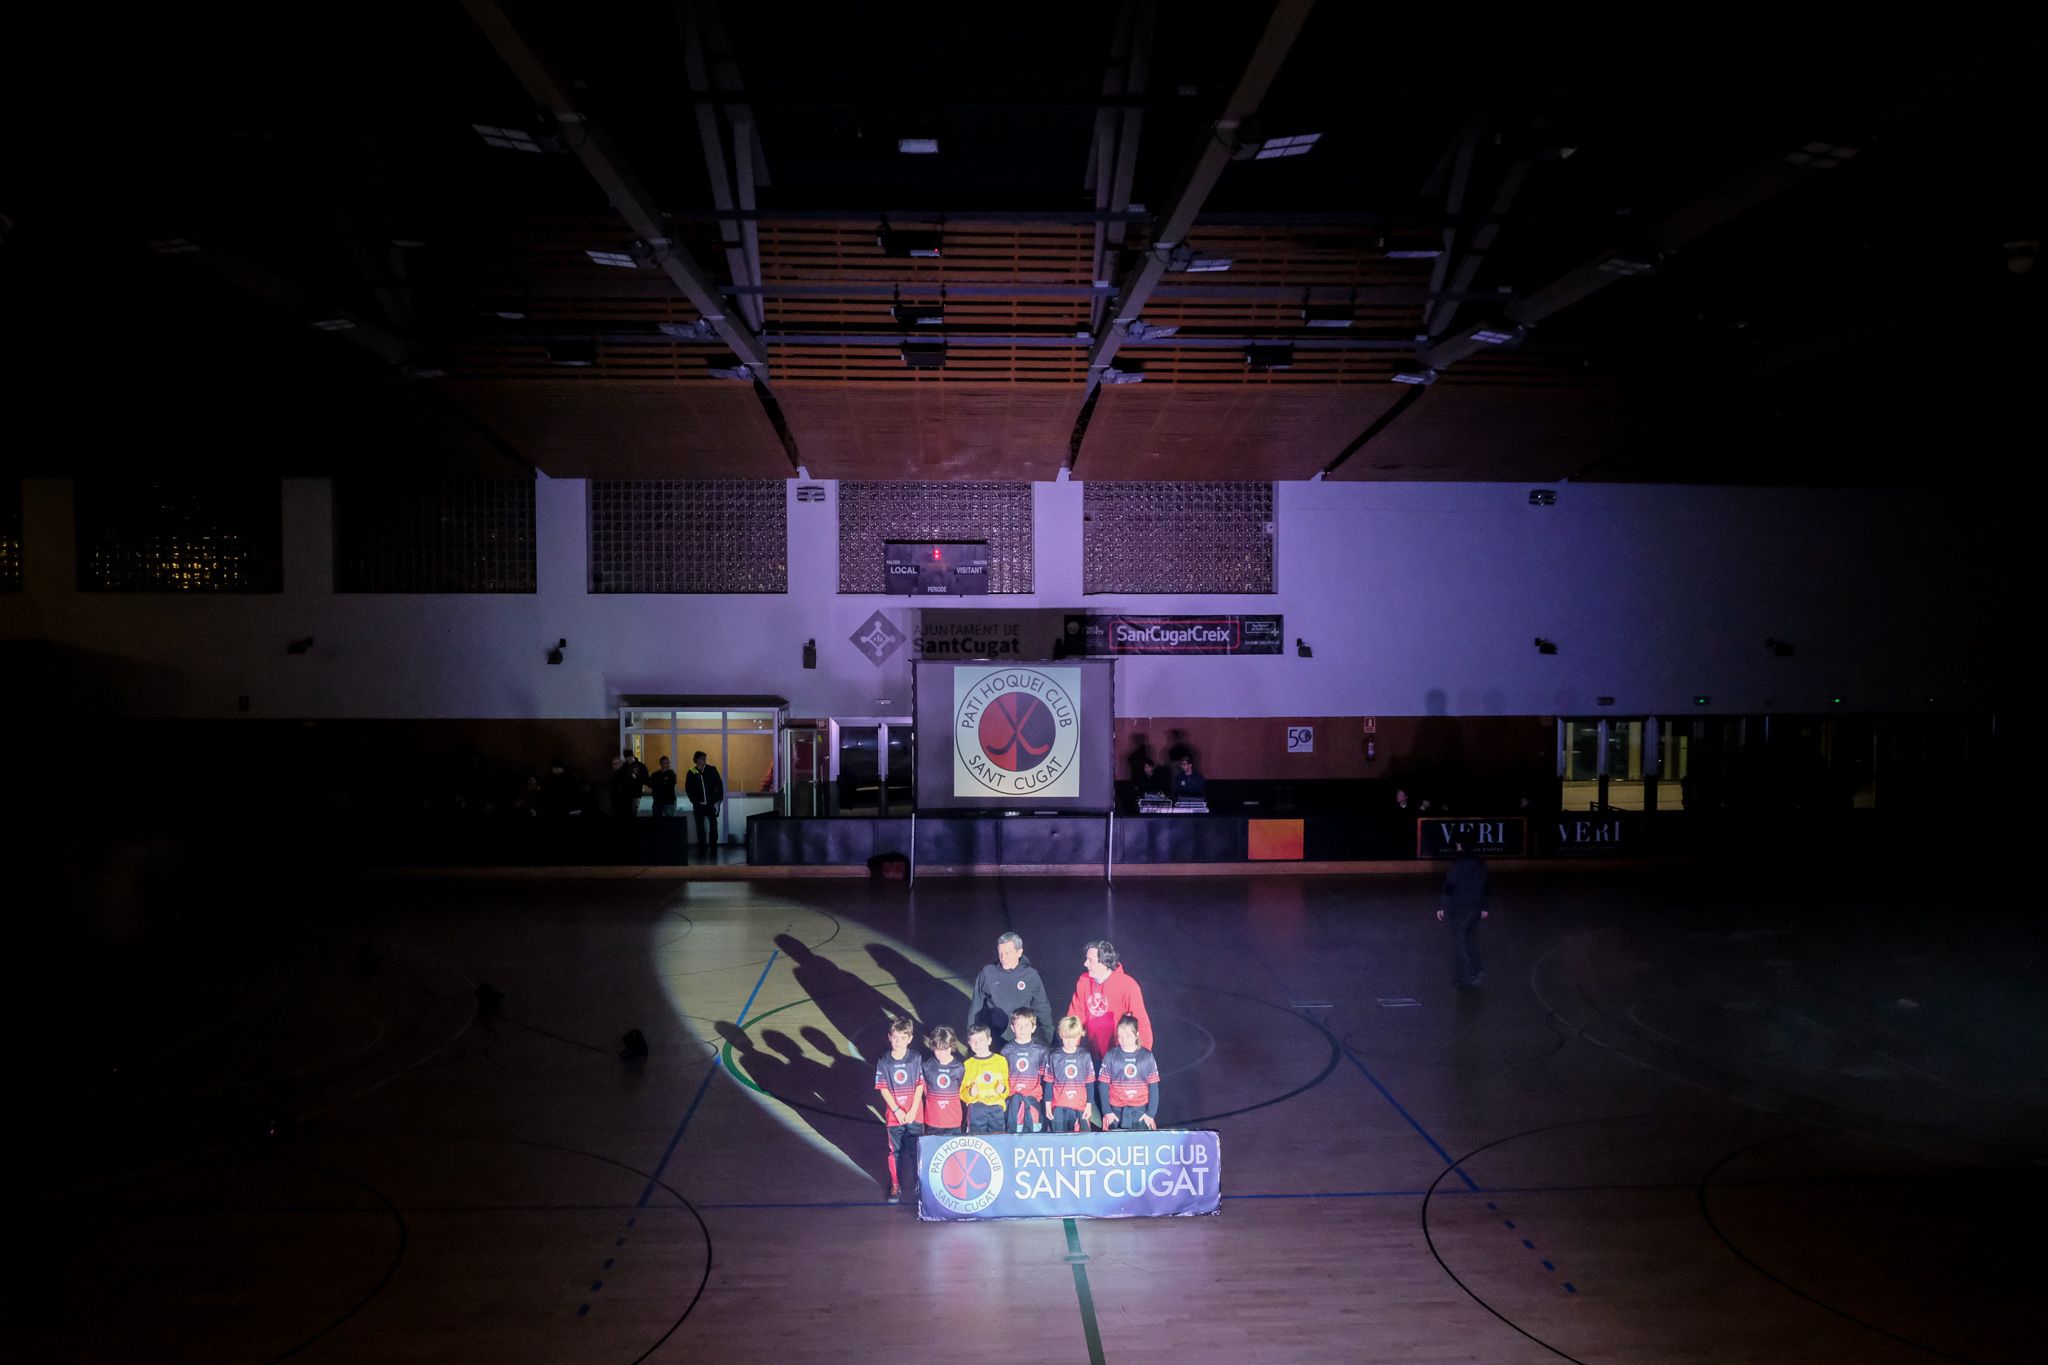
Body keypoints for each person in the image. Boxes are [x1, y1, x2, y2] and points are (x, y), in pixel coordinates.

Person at [1068, 940, 1153, 1059]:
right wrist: (1069, 1050)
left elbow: (1141, 1023)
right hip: (1094, 1054)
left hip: (1121, 1056)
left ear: (1103, 963)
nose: (1085, 964)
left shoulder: (1128, 985)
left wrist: (1143, 1056)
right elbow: (1074, 1018)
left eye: (1090, 960)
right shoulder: (1083, 981)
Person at [873, 1016, 925, 1203]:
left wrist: (912, 1110)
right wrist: (896, 1110)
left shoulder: (915, 1059)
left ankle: (921, 1182)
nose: (899, 1042)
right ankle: (895, 1184)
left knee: (916, 1149)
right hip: (894, 1116)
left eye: (903, 1038)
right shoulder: (884, 1062)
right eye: (895, 1037)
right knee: (894, 1151)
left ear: (910, 1038)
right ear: (889, 1037)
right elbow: (883, 1088)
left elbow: (920, 1084)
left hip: (914, 1114)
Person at [968, 932, 1053, 1043]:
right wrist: (971, 1039)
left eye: (1007, 953)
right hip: (994, 1037)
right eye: (1000, 953)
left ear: (1019, 952)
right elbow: (975, 1009)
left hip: (1022, 1038)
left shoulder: (1031, 975)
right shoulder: (987, 973)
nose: (1003, 958)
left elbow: (1042, 1008)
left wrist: (1051, 1039)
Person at [1437, 839, 1490, 988]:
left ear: (1460, 846)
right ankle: (1477, 968)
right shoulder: (1480, 862)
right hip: (1476, 907)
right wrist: (1485, 907)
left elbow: (1451, 885)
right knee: (1471, 939)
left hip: (1460, 907)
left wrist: (1442, 905)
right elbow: (1486, 884)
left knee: (1460, 944)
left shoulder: (1458, 863)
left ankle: (1464, 977)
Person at [1097, 1014, 1160, 1132]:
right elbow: (1103, 1085)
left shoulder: (1146, 1056)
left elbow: (1153, 1086)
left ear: (1137, 1035)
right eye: (1120, 1037)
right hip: (1116, 1113)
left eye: (1128, 1037)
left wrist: (1150, 1113)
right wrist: (1107, 1111)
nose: (1124, 1041)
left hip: (1140, 1113)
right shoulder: (1111, 1055)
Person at [1043, 1016, 1097, 1133]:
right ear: (1061, 1035)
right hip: (1059, 1106)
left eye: (1074, 1037)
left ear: (1080, 1035)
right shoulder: (1054, 1056)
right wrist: (1048, 1105)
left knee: (1081, 1142)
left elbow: (1089, 1083)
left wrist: (1089, 1105)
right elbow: (1049, 1083)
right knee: (1058, 1141)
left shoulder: (1085, 1056)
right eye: (1067, 1037)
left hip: (1080, 1107)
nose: (1070, 1041)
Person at [1000, 1008, 1049, 1133]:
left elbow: (1046, 1078)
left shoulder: (1040, 1050)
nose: (1022, 1029)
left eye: (1027, 1025)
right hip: (1012, 1101)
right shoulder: (1006, 1050)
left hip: (1033, 1100)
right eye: (1019, 1025)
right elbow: (1002, 1078)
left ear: (1033, 1028)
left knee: (1033, 1136)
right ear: (1012, 1027)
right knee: (1013, 1136)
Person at [960, 1025, 1011, 1136]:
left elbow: (1006, 1087)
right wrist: (970, 1093)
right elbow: (962, 1093)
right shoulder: (967, 1065)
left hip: (997, 1108)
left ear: (989, 1040)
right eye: (973, 1041)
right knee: (976, 1140)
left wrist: (1003, 1090)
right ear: (968, 1042)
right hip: (976, 1109)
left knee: (998, 1140)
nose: (977, 1044)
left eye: (981, 1040)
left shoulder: (1001, 1061)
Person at [920, 1026, 965, 1138]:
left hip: (953, 1121)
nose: (942, 1054)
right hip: (933, 1121)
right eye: (938, 1050)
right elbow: (925, 1090)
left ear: (952, 1047)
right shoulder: (927, 1066)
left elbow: (961, 1089)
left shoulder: (959, 1068)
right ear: (933, 1047)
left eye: (945, 1049)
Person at [685, 750, 725, 851]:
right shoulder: (692, 772)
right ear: (697, 760)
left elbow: (719, 785)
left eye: (705, 759)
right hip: (698, 805)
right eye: (702, 759)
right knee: (700, 827)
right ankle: (702, 847)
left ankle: (713, 846)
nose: (704, 761)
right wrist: (694, 801)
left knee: (713, 825)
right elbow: (688, 788)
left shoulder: (711, 770)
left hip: (711, 804)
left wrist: (718, 800)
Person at [611, 748, 645, 819]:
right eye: (627, 758)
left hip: (630, 796)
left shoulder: (638, 766)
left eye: (615, 764)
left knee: (632, 813)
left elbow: (644, 778)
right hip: (623, 799)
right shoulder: (623, 770)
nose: (613, 766)